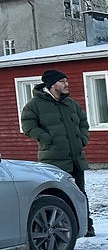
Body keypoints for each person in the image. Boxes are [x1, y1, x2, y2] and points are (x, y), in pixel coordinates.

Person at [21, 69, 95, 237]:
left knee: (80, 194)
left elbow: (83, 122)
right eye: (62, 81)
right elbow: (28, 126)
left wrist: (82, 138)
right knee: (56, 194)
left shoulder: (71, 104)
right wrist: (47, 138)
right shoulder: (34, 105)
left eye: (66, 81)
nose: (66, 84)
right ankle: (56, 227)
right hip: (52, 159)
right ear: (52, 84)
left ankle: (86, 226)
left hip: (75, 158)